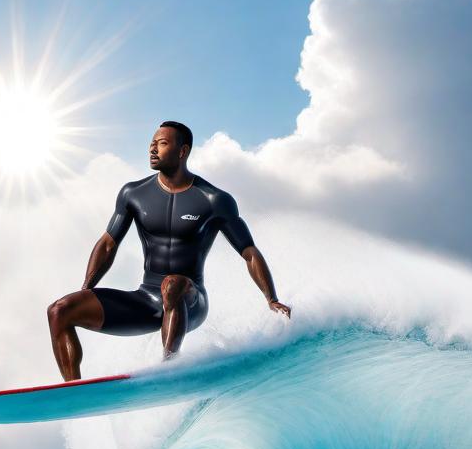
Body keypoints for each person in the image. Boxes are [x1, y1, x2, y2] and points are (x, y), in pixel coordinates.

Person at [47, 120, 291, 381]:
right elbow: (108, 243)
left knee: (172, 284)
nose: (153, 149)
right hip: (146, 302)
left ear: (182, 151)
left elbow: (249, 252)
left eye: (162, 144)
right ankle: (74, 389)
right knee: (59, 310)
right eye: (151, 144)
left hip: (190, 301)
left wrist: (271, 298)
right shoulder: (134, 193)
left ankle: (168, 368)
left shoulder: (214, 200)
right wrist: (87, 288)